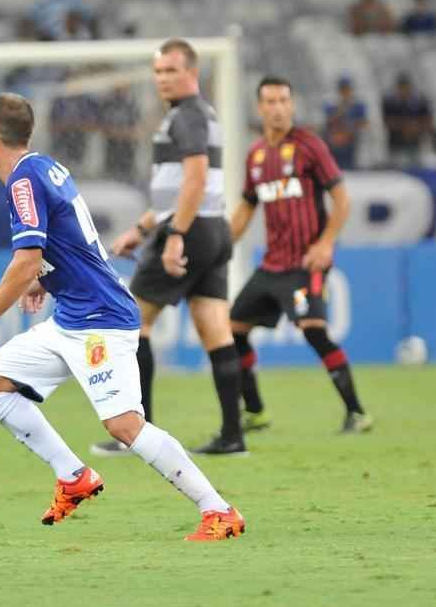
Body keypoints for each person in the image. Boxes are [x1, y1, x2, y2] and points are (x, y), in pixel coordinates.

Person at [0, 93, 244, 541]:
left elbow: (26, 259)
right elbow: (72, 240)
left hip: (99, 320)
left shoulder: (24, 181)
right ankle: (72, 475)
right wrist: (48, 279)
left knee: (124, 425)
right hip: (71, 317)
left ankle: (218, 510)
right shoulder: (44, 168)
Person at [93, 39, 245, 457]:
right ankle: (233, 435)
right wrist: (142, 229)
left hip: (191, 230)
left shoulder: (186, 117)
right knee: (215, 329)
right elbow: (177, 188)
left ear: (191, 73)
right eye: (158, 71)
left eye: (171, 71)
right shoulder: (198, 115)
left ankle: (138, 433)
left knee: (131, 323)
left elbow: (193, 179)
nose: (163, 79)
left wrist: (175, 234)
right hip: (213, 228)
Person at [229, 77, 373, 433]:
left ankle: (357, 412)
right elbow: (247, 207)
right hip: (271, 264)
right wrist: (221, 244)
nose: (277, 108)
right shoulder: (256, 156)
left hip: (305, 263)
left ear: (291, 105)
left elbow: (342, 198)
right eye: (270, 101)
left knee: (313, 330)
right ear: (259, 108)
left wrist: (325, 244)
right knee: (234, 329)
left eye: (283, 100)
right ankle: (257, 412)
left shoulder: (310, 146)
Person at [382, 72, 433, 167]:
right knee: (396, 170)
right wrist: (403, 126)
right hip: (396, 143)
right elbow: (387, 121)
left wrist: (416, 127)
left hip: (414, 142)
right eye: (401, 87)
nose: (404, 90)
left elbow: (427, 120)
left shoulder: (420, 101)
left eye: (406, 87)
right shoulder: (390, 102)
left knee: (415, 167)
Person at [322, 76, 368, 170]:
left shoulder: (357, 105)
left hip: (350, 142)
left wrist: (351, 126)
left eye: (347, 89)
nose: (345, 92)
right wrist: (341, 109)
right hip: (334, 142)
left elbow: (364, 123)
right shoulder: (332, 104)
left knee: (350, 168)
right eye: (343, 89)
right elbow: (328, 121)